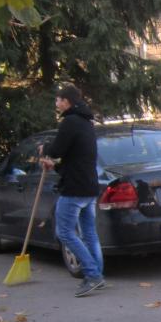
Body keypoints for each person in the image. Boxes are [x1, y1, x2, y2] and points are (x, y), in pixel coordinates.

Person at [40, 84, 106, 296]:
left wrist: (45, 150)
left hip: (74, 188)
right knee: (89, 233)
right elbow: (76, 157)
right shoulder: (86, 122)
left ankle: (93, 275)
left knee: (64, 232)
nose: (56, 104)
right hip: (89, 185)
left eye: (58, 100)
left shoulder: (70, 121)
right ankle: (97, 274)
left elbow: (58, 149)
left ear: (66, 101)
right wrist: (56, 166)